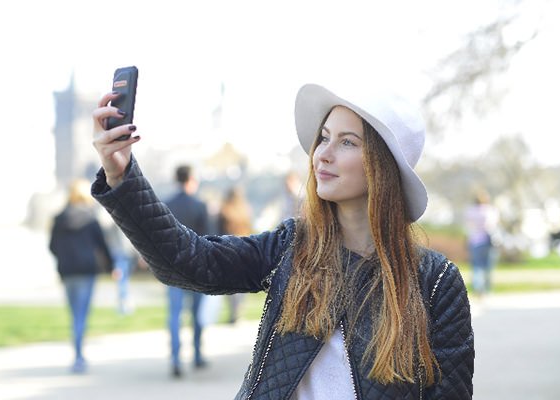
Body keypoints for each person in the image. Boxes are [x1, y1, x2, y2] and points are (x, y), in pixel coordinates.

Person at [91, 82, 474, 398]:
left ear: (381, 166)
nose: (322, 154)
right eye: (324, 138)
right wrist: (122, 177)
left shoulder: (436, 282)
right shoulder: (292, 247)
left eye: (346, 143)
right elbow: (190, 260)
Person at [49, 178, 113, 373]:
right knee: (82, 314)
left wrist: (63, 259)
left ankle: (77, 354)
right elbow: (102, 246)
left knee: (74, 313)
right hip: (86, 271)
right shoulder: (91, 219)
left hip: (67, 272)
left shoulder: (59, 219)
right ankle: (79, 356)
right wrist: (111, 267)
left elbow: (51, 246)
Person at [164, 164, 211, 376]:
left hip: (173, 268)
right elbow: (208, 239)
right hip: (196, 267)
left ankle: (175, 358)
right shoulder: (200, 205)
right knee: (196, 314)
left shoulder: (167, 204)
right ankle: (197, 354)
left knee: (175, 315)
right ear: (191, 179)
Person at [217, 185, 254, 323]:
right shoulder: (246, 210)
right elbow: (251, 229)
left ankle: (234, 312)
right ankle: (239, 310)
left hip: (228, 247)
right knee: (242, 281)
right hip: (245, 246)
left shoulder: (224, 210)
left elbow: (218, 231)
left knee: (230, 282)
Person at [464, 190, 499, 297]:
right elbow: (493, 225)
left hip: (475, 241)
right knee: (488, 266)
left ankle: (478, 288)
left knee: (476, 266)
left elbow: (467, 226)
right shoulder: (490, 211)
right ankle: (487, 289)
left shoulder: (470, 212)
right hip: (489, 241)